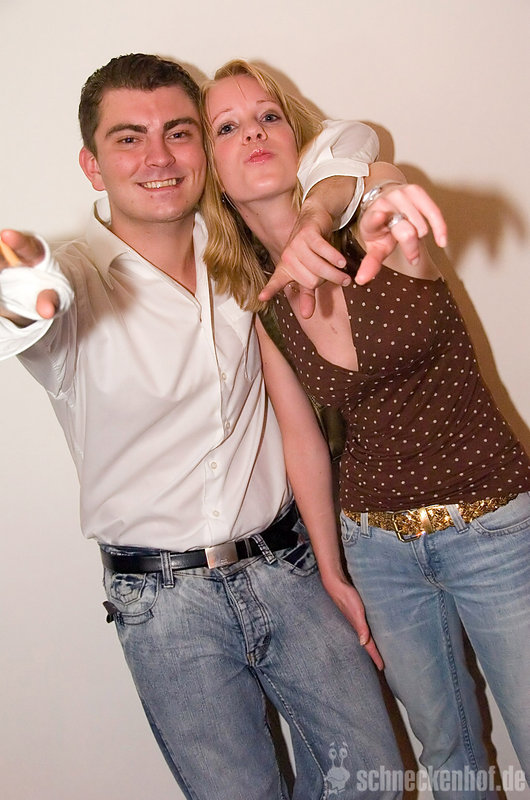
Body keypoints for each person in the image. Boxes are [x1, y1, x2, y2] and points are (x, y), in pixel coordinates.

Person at [0, 53, 413, 800]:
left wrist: (328, 203)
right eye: (129, 138)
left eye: (179, 133)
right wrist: (21, 289)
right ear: (93, 166)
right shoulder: (78, 281)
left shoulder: (242, 255)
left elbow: (350, 141)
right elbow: (31, 306)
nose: (158, 157)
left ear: (204, 151)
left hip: (287, 567)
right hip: (163, 604)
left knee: (374, 779)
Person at [200, 59, 530, 799]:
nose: (253, 131)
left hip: (494, 530)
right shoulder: (264, 306)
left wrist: (328, 215)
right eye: (227, 126)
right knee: (446, 753)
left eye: (269, 116)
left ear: (298, 138)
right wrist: (332, 568)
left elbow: (373, 171)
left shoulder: (374, 220)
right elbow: (302, 442)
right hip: (379, 553)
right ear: (215, 174)